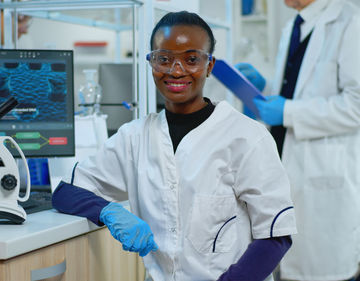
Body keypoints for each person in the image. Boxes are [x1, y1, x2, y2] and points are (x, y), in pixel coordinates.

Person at [52, 11, 297, 281]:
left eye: (191, 59)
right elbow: (65, 192)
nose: (176, 70)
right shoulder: (134, 137)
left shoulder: (247, 137)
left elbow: (276, 236)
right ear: (151, 62)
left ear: (210, 65)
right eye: (164, 59)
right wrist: (108, 212)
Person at [236, 0, 360, 280]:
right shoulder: (295, 25)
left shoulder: (352, 22)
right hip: (289, 170)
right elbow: (300, 91)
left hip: (328, 183)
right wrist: (264, 87)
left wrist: (288, 111)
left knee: (325, 270)